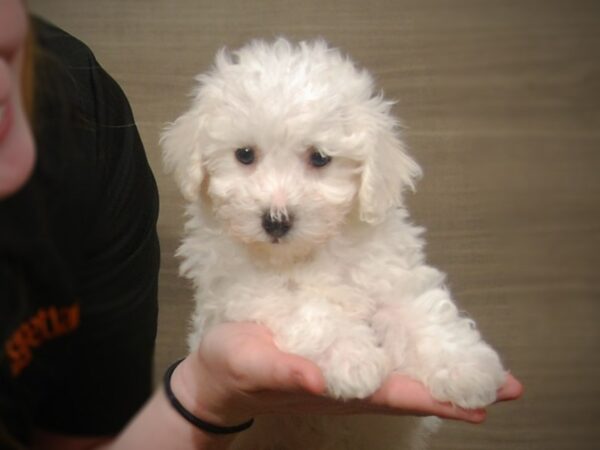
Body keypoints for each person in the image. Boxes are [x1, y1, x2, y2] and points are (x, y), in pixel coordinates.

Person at [0, 1, 523, 449]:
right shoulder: (224, 251)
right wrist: (327, 339)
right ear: (199, 161)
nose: (278, 206)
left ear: (370, 171)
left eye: (318, 159)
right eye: (245, 155)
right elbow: (252, 312)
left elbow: (407, 301)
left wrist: (445, 354)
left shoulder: (80, 105)